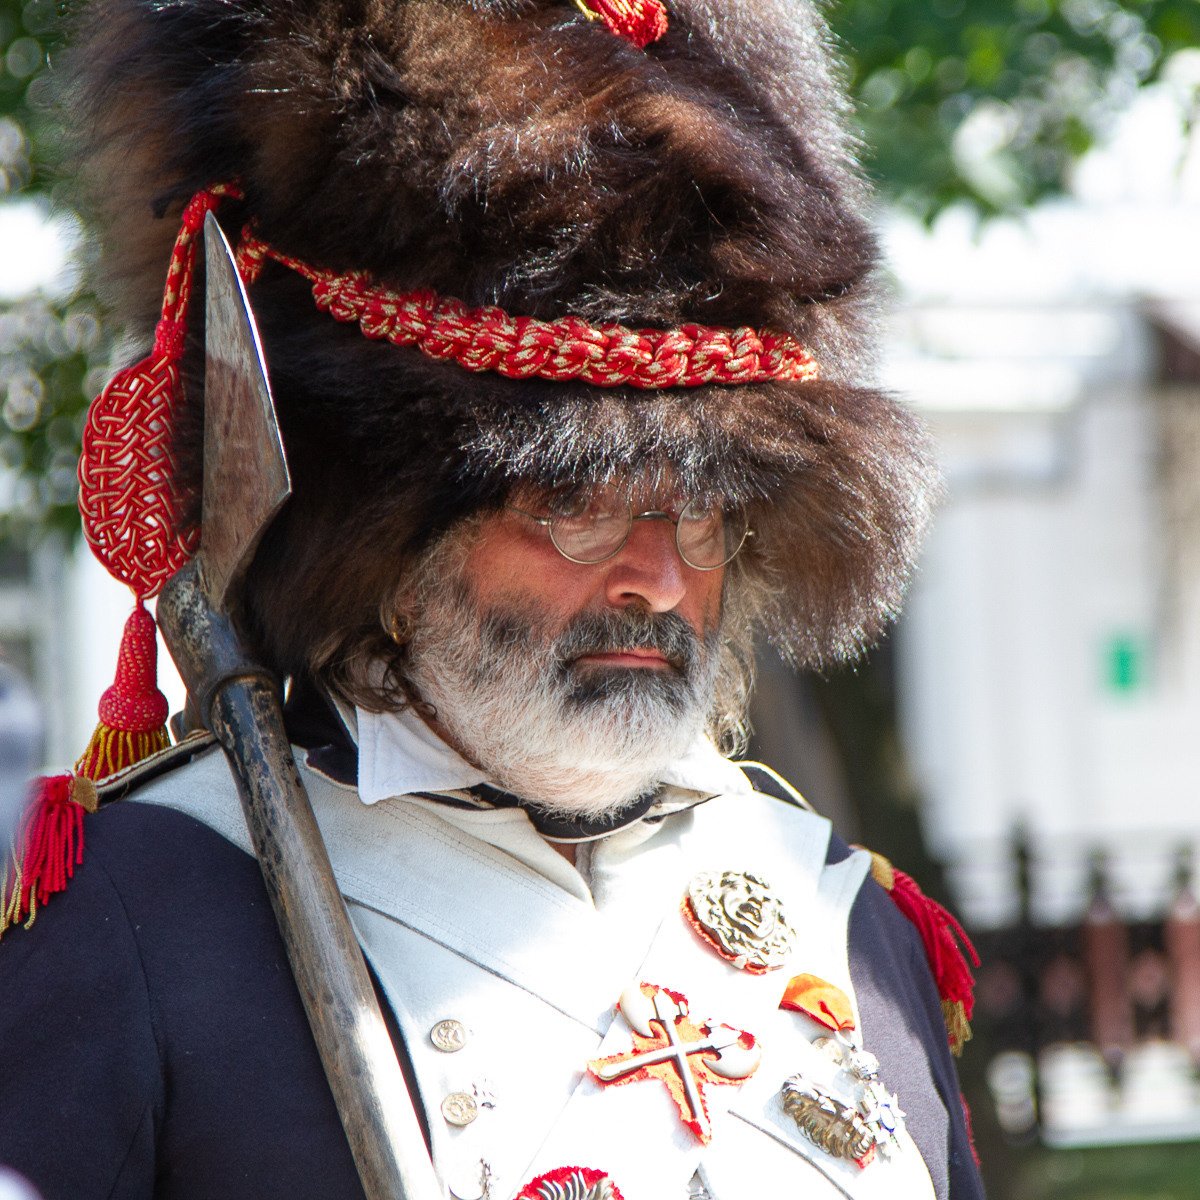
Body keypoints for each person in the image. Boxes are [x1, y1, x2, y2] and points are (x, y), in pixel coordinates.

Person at [0, 0, 984, 1196]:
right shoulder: (137, 913)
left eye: (704, 514)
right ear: (389, 540)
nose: (660, 577)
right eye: (579, 509)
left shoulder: (848, 924)